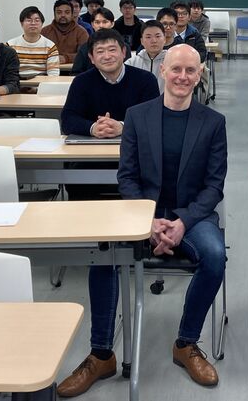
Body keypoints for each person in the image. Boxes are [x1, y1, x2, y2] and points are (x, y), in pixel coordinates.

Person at [57, 45, 227, 397]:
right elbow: (128, 177)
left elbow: (213, 186)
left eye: (190, 71)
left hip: (191, 214)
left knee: (215, 256)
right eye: (176, 69)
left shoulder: (213, 122)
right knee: (103, 252)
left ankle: (187, 343)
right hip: (141, 211)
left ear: (200, 76)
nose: (182, 77)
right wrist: (146, 220)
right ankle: (101, 353)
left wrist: (180, 222)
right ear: (162, 70)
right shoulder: (137, 115)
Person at [60, 28, 159, 139]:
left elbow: (154, 119)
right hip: (92, 146)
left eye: (112, 50)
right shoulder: (81, 82)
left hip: (135, 145)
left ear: (123, 52)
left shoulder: (146, 80)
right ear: (91, 58)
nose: (107, 56)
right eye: (100, 51)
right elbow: (67, 120)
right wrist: (93, 128)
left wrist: (123, 126)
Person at [7, 6, 60, 83]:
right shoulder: (10, 45)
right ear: (22, 23)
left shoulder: (50, 46)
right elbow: (7, 73)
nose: (33, 23)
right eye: (29, 20)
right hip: (16, 86)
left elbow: (53, 75)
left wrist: (37, 88)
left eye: (37, 20)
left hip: (41, 87)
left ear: (42, 24)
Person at [72, 8, 130, 75]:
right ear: (92, 24)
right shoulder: (85, 48)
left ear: (112, 24)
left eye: (105, 22)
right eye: (97, 22)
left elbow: (127, 71)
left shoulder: (122, 46)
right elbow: (75, 73)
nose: (101, 26)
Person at [41, 0, 89, 64]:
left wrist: (66, 58)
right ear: (54, 14)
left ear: (72, 14)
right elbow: (39, 52)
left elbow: (84, 54)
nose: (63, 15)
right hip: (48, 69)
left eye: (67, 12)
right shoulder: (45, 31)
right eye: (59, 12)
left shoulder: (81, 32)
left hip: (72, 71)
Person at [125, 20, 168, 92]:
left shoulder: (172, 61)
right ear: (142, 41)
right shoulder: (131, 63)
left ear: (164, 39)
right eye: (148, 37)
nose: (154, 40)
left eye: (157, 36)